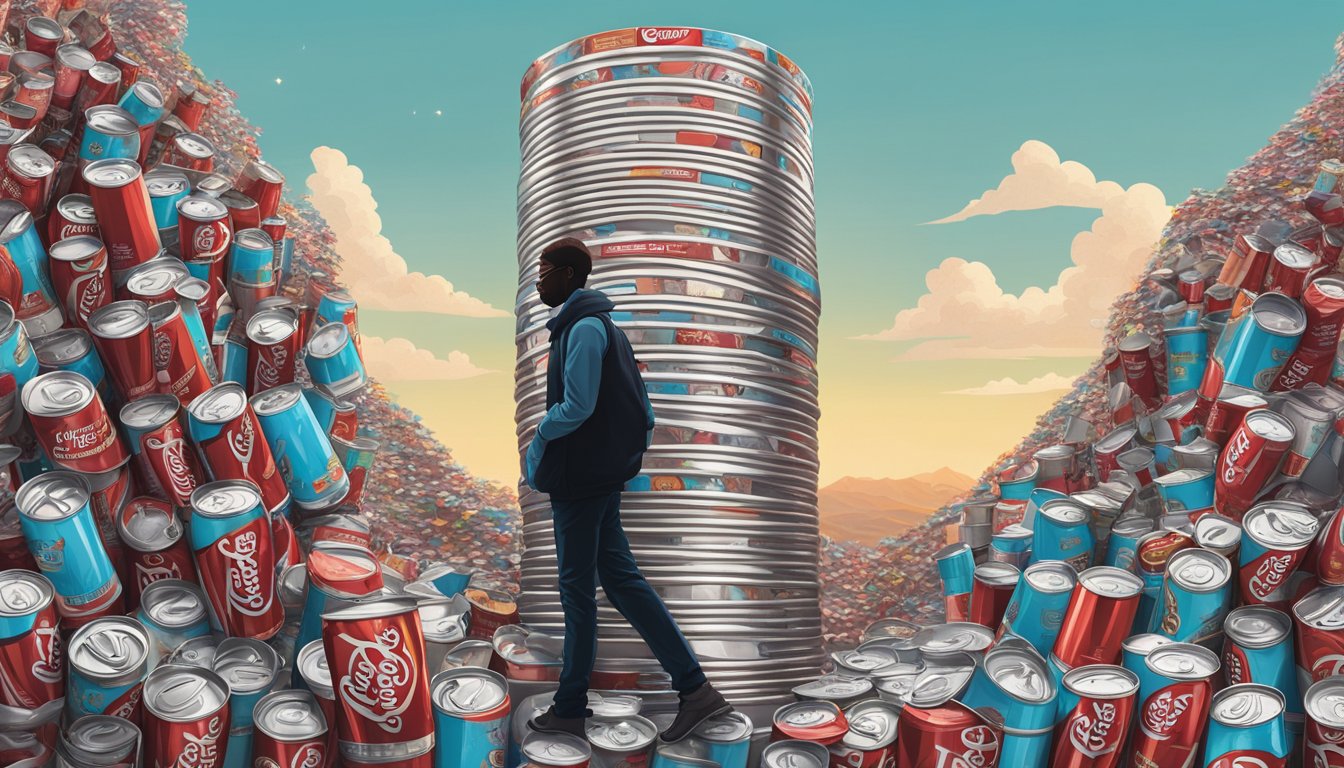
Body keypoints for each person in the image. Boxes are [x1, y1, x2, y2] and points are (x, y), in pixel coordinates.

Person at [522, 237, 733, 742]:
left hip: (581, 481)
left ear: (571, 275)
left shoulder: (584, 329)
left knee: (576, 591)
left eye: (546, 270)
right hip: (599, 478)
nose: (538, 280)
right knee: (620, 581)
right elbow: (645, 410)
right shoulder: (603, 328)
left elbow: (576, 406)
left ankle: (570, 706)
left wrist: (538, 441)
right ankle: (696, 689)